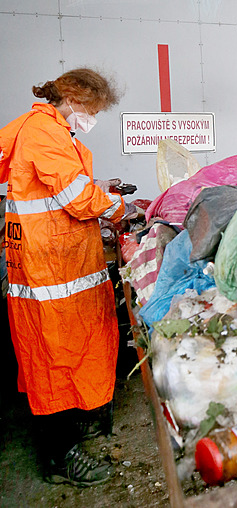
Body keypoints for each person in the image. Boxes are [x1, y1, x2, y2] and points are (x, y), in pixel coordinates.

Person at [0, 68, 132, 486]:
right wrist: (118, 208)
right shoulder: (45, 132)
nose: (91, 117)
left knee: (67, 355)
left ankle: (73, 436)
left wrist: (101, 186)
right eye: (91, 109)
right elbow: (75, 199)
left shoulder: (47, 130)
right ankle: (60, 460)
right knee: (52, 362)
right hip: (48, 274)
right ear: (73, 98)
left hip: (57, 269)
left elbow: (58, 188)